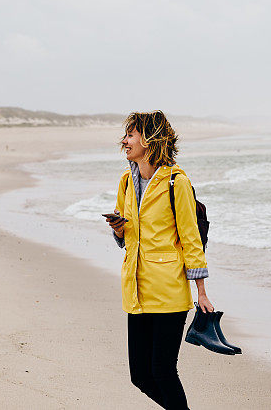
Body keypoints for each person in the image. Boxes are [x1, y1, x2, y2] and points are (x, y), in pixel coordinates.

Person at [104, 110, 214, 410]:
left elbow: (191, 240)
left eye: (131, 134)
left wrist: (201, 292)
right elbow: (127, 238)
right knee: (140, 375)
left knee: (163, 371)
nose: (124, 141)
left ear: (150, 139)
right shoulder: (126, 181)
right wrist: (119, 230)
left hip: (168, 291)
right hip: (135, 290)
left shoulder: (176, 182)